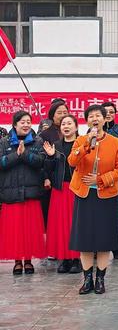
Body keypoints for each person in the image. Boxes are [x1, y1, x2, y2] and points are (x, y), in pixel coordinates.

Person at [68, 104, 118, 295]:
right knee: (84, 239)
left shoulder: (115, 142)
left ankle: (100, 279)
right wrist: (86, 145)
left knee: (104, 239)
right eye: (91, 116)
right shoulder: (81, 140)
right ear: (87, 121)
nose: (95, 119)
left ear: (105, 119)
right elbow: (72, 161)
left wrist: (100, 180)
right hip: (84, 195)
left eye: (98, 116)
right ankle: (87, 280)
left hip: (106, 195)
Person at [0, 111, 49, 275]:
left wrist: (25, 154)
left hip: (31, 193)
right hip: (11, 193)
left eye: (29, 121)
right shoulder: (4, 142)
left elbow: (41, 162)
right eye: (22, 122)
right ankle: (17, 261)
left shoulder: (37, 141)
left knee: (30, 230)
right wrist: (16, 155)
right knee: (14, 231)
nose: (26, 124)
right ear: (15, 124)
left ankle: (28, 261)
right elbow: (2, 163)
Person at [44, 114, 82, 274]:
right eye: (63, 124)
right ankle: (65, 258)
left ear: (76, 127)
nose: (66, 126)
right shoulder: (56, 145)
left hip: (77, 188)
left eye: (69, 123)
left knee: (76, 224)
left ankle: (77, 259)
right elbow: (48, 168)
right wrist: (51, 157)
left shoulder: (82, 143)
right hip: (60, 189)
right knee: (60, 225)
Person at [101, 101, 118, 260]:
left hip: (116, 177)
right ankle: (101, 246)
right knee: (102, 215)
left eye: (112, 111)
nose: (109, 114)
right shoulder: (94, 131)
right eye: (106, 112)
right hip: (99, 178)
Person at [39, 98, 69, 227]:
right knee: (53, 216)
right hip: (52, 178)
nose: (63, 115)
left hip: (69, 178)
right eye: (59, 112)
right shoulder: (45, 134)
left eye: (65, 112)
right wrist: (46, 177)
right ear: (52, 115)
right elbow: (41, 158)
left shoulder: (74, 132)